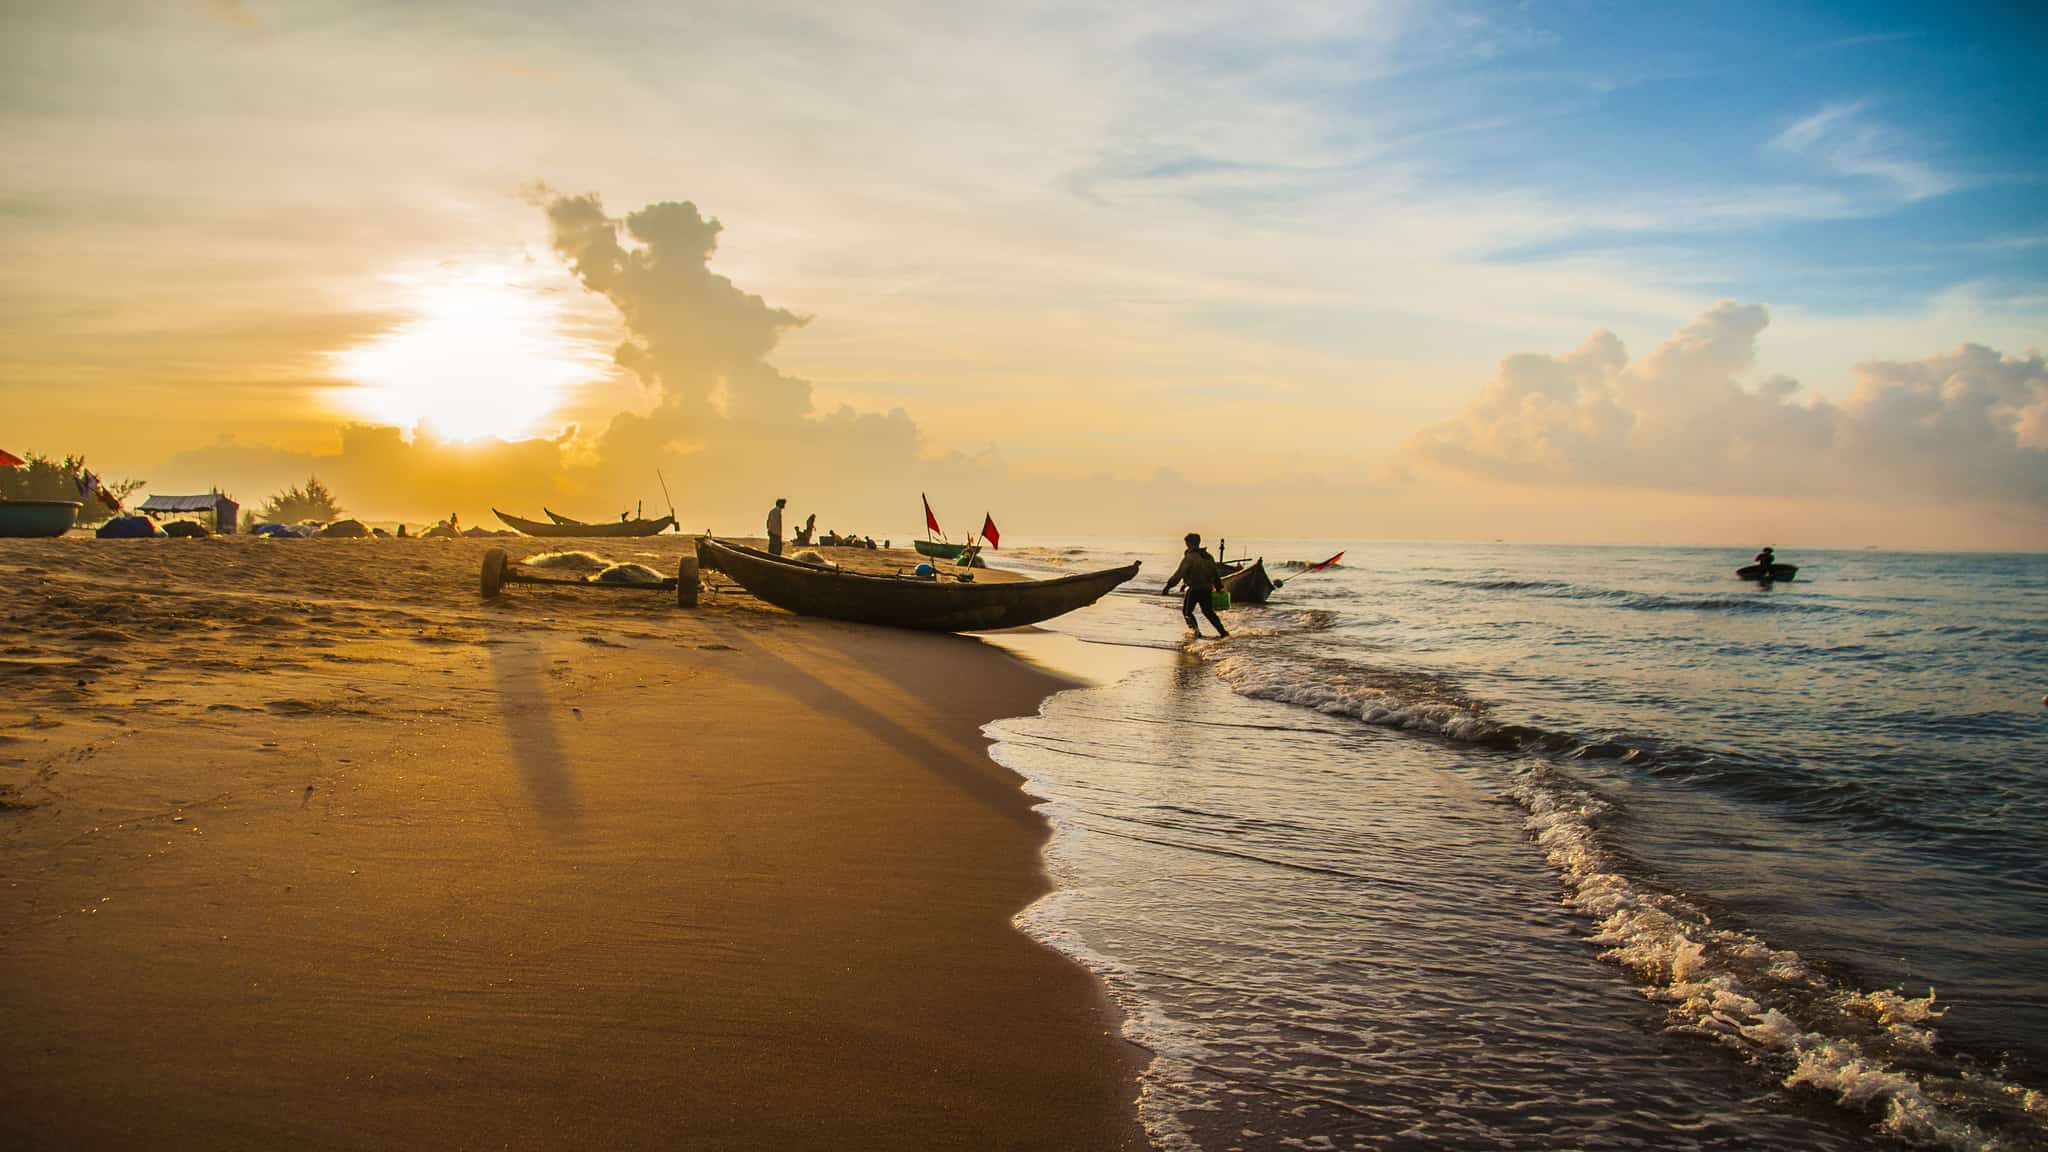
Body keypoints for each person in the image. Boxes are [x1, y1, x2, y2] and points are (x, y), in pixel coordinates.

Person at [1161, 532, 1229, 638]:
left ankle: (1196, 632)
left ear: (1189, 543)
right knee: (1208, 612)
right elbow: (1215, 573)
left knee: (1187, 612)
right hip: (1207, 589)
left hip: (1195, 588)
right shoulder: (1208, 556)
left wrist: (1168, 587)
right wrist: (1219, 586)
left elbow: (1179, 574)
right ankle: (1223, 632)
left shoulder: (1190, 557)